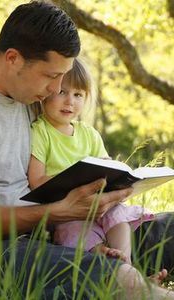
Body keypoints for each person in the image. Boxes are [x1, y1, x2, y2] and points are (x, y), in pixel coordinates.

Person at [0, 1, 173, 299]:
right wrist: (57, 213)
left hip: (49, 232)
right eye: (51, 76)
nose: (57, 90)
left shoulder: (29, 95)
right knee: (111, 276)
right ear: (13, 59)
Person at [28, 57, 154, 265]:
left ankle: (125, 262)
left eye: (78, 94)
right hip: (66, 212)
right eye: (62, 92)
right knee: (71, 231)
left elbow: (107, 167)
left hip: (100, 205)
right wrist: (71, 183)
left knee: (118, 215)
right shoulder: (41, 132)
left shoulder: (89, 134)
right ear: (47, 92)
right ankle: (100, 254)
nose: (70, 101)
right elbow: (36, 181)